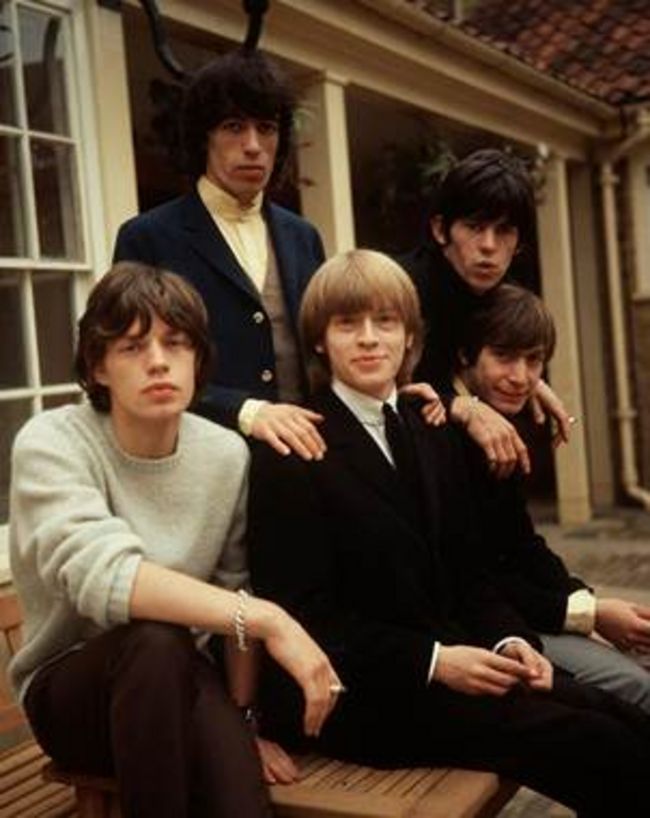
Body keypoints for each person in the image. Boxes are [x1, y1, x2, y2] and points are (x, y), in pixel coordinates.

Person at [248, 249, 650, 818]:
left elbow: (470, 575)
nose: (369, 339)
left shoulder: (430, 428)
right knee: (598, 744)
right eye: (347, 324)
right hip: (368, 694)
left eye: (385, 322)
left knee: (622, 716)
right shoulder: (293, 451)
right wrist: (436, 660)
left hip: (461, 661)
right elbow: (306, 616)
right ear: (319, 340)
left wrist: (512, 642)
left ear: (411, 337)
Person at [8, 262, 342, 818]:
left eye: (176, 343)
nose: (159, 361)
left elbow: (234, 587)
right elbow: (106, 579)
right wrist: (271, 619)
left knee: (239, 798)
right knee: (155, 639)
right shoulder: (52, 442)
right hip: (72, 696)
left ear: (197, 360)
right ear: (98, 366)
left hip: (179, 676)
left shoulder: (224, 454)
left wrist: (243, 720)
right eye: (132, 347)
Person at [114, 49, 326, 461]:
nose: (253, 145)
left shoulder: (303, 236)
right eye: (233, 127)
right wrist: (243, 410)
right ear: (203, 137)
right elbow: (133, 362)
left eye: (266, 128)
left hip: (306, 459)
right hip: (202, 460)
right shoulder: (148, 237)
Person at [453, 283, 650, 712]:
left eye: (533, 360)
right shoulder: (447, 438)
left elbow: (523, 544)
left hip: (521, 612)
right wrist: (587, 615)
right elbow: (477, 577)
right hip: (481, 631)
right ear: (466, 356)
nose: (520, 377)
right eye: (504, 357)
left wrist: (589, 605)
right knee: (637, 687)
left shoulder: (510, 423)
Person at [399, 149, 571, 476]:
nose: (489, 245)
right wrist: (459, 405)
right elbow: (369, 395)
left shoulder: (504, 297)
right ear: (440, 230)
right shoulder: (398, 292)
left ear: (519, 243)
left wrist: (529, 380)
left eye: (504, 230)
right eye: (475, 227)